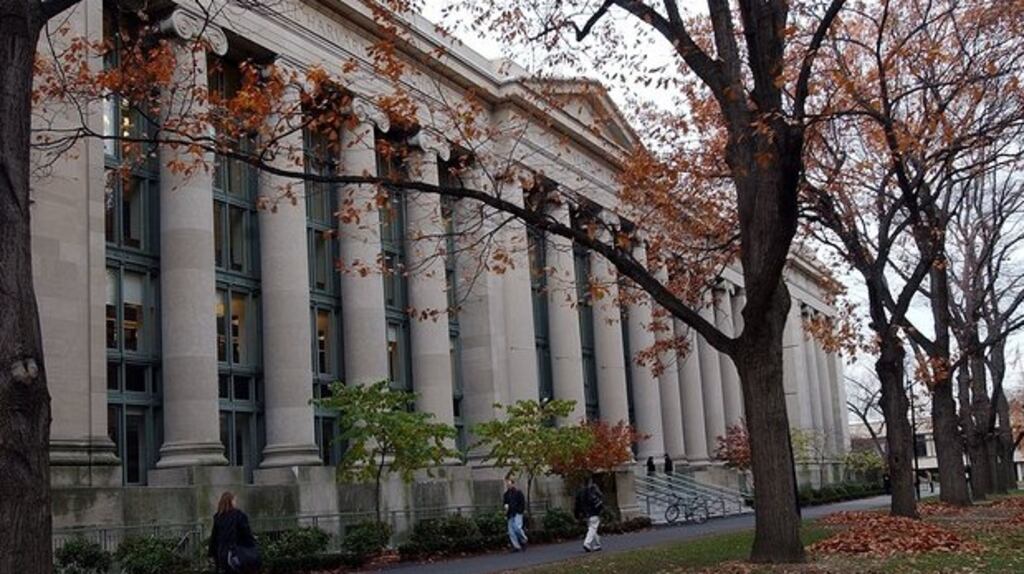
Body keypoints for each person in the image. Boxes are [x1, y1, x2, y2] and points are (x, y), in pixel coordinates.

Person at [208, 491, 260, 573]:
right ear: (231, 501)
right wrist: (253, 545)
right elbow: (246, 534)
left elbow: (214, 537)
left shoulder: (218, 517)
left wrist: (211, 554)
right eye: (234, 500)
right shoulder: (239, 516)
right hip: (236, 553)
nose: (236, 502)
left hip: (222, 554)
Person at [574, 476, 605, 552]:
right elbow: (600, 498)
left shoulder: (580, 492)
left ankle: (598, 544)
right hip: (594, 512)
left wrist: (577, 514)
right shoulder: (592, 490)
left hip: (586, 513)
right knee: (593, 528)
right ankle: (587, 543)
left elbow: (577, 504)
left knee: (592, 528)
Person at [502, 476, 528, 552]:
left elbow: (522, 502)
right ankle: (516, 546)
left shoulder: (518, 492)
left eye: (509, 483)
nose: (508, 485)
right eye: (507, 483)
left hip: (517, 513)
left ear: (513, 484)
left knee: (517, 527)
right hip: (510, 514)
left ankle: (524, 539)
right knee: (511, 531)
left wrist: (520, 511)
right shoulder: (506, 494)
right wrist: (505, 509)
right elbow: (505, 503)